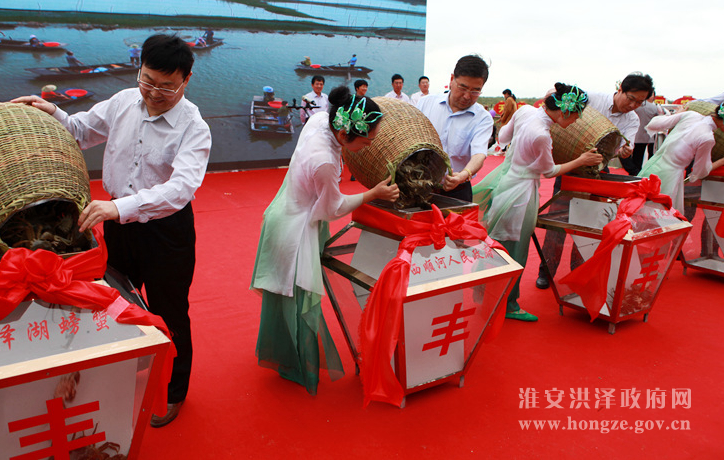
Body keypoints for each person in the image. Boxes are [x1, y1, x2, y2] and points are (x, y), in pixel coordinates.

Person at [12, 34, 211, 428]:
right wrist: (50, 111)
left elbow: (179, 190)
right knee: (110, 301)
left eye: (166, 87)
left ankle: (174, 391)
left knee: (170, 310)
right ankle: (119, 364)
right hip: (118, 225)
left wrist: (117, 207)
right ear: (139, 70)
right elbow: (80, 130)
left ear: (186, 80)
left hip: (165, 230)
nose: (154, 92)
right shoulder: (123, 101)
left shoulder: (194, 127)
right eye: (148, 80)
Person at [251, 86, 399, 394]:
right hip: (296, 229)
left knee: (284, 297)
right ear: (345, 134)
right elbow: (333, 209)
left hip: (287, 210)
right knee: (301, 301)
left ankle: (283, 355)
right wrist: (373, 194)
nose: (370, 146)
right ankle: (295, 363)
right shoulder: (325, 162)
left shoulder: (320, 120)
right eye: (367, 140)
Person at [473, 84, 603, 321]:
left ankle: (488, 296)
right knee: (515, 251)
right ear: (565, 111)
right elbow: (550, 171)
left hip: (505, 184)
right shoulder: (542, 134)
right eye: (577, 115)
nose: (577, 121)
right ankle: (508, 305)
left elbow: (502, 137)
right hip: (520, 196)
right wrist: (581, 159)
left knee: (497, 245)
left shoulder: (525, 112)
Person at [534, 73, 652, 289]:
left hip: (597, 170)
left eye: (639, 102)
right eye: (631, 98)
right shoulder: (593, 99)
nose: (633, 105)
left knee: (588, 225)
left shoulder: (632, 119)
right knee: (556, 223)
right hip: (570, 167)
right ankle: (547, 271)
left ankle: (578, 273)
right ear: (620, 89)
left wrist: (625, 151)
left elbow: (627, 146)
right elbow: (556, 95)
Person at [415, 55, 494, 203]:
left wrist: (463, 175)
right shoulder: (426, 104)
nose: (466, 96)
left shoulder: (482, 118)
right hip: (417, 185)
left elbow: (479, 154)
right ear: (452, 79)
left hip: (457, 190)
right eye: (462, 87)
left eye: (475, 91)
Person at [638, 104, 724, 210]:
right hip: (668, 177)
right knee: (660, 215)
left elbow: (654, 124)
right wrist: (722, 161)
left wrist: (676, 115)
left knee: (638, 206)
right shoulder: (707, 138)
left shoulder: (690, 115)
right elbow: (701, 171)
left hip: (651, 166)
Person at [621, 92, 664, 176]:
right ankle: (639, 173)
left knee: (630, 156)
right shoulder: (655, 107)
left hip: (634, 136)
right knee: (642, 157)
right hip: (648, 136)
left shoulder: (634, 106)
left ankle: (635, 172)